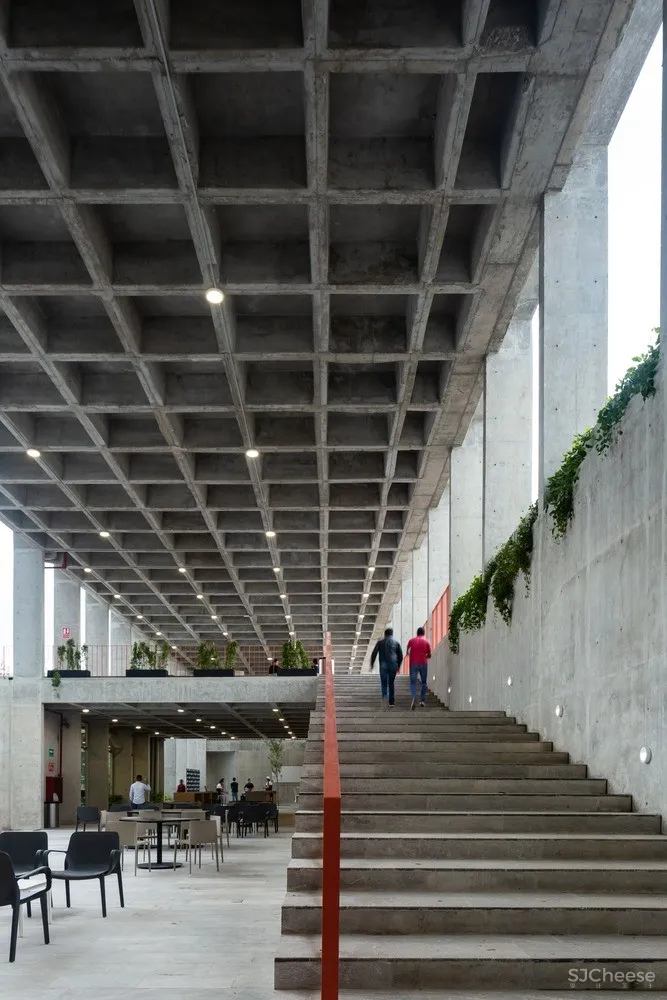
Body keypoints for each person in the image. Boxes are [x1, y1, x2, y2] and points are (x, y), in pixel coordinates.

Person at [370, 628, 403, 708]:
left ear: (385, 634)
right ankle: (391, 702)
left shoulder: (380, 642)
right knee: (391, 683)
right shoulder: (396, 643)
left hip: (383, 665)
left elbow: (374, 653)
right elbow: (400, 655)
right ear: (392, 634)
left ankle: (384, 698)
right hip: (393, 665)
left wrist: (372, 664)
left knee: (384, 683)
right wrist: (398, 666)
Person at [406, 626, 432, 710]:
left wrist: (411, 655)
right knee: (423, 682)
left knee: (413, 682)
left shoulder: (411, 641)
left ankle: (414, 697)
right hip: (423, 663)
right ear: (424, 633)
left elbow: (407, 652)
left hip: (413, 663)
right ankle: (422, 700)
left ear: (417, 633)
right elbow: (429, 655)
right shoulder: (427, 641)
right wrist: (425, 656)